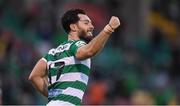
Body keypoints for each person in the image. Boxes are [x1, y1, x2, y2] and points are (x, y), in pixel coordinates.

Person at [28, 8, 120, 106]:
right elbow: (89, 51)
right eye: (86, 23)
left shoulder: (52, 53)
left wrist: (55, 98)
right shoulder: (76, 44)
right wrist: (109, 29)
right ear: (73, 27)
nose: (92, 26)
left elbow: (34, 76)